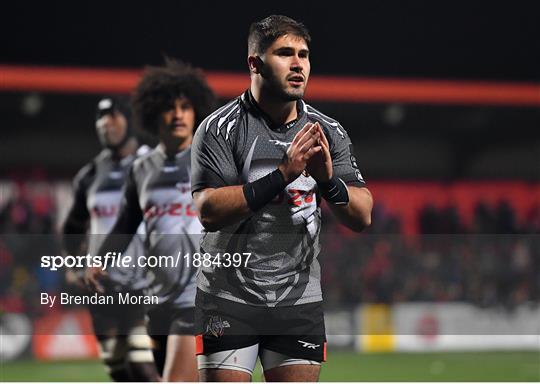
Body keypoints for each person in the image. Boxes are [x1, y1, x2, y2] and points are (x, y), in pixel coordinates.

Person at [191, 15, 373, 382]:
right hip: (228, 298)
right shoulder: (218, 129)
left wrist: (327, 181)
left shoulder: (328, 131)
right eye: (284, 53)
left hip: (298, 301)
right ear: (254, 63)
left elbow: (362, 214)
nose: (297, 64)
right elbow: (208, 210)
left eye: (304, 55)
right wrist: (282, 176)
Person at [85, 59, 217, 381]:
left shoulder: (212, 159)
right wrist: (99, 260)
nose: (177, 115)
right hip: (156, 299)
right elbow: (126, 224)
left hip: (199, 295)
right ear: (152, 113)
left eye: (185, 107)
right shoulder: (142, 168)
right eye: (169, 107)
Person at [62, 97, 159, 381]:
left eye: (115, 117)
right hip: (102, 288)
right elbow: (73, 225)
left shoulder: (153, 163)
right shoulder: (89, 175)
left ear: (129, 120)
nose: (107, 124)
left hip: (146, 285)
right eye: (101, 119)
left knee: (143, 367)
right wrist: (73, 263)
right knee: (119, 372)